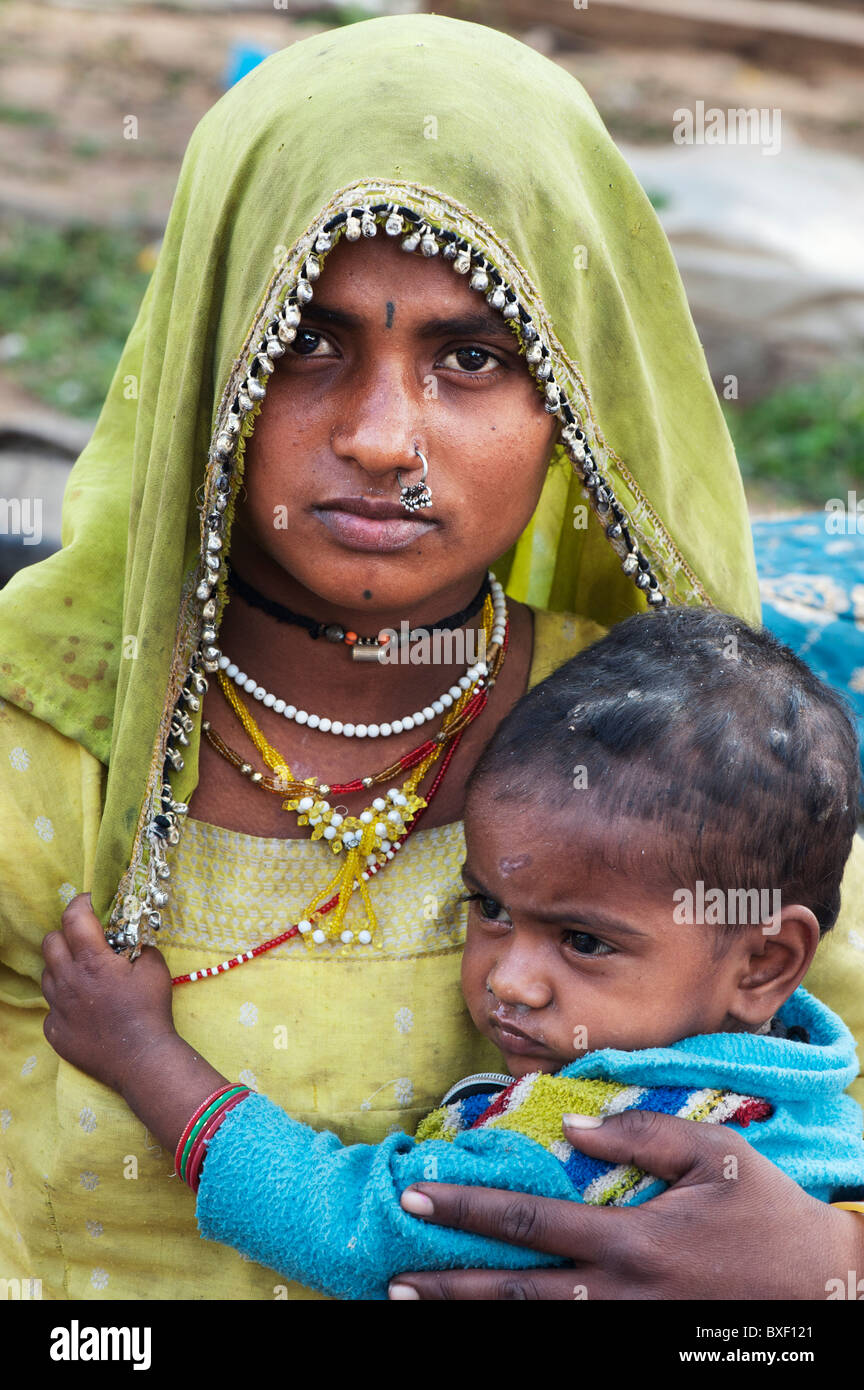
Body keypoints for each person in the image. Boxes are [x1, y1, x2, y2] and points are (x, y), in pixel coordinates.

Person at [0, 14, 862, 1301]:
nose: (383, 436)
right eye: (306, 339)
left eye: (471, 356)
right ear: (208, 362)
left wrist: (831, 1266)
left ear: (568, 397)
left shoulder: (670, 745)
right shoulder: (46, 748)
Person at [39, 607, 864, 1301]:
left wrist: (140, 1052)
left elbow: (351, 1229)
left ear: (764, 961)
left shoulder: (606, 1140)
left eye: (584, 942)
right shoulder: (804, 1088)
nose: (508, 979)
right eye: (491, 909)